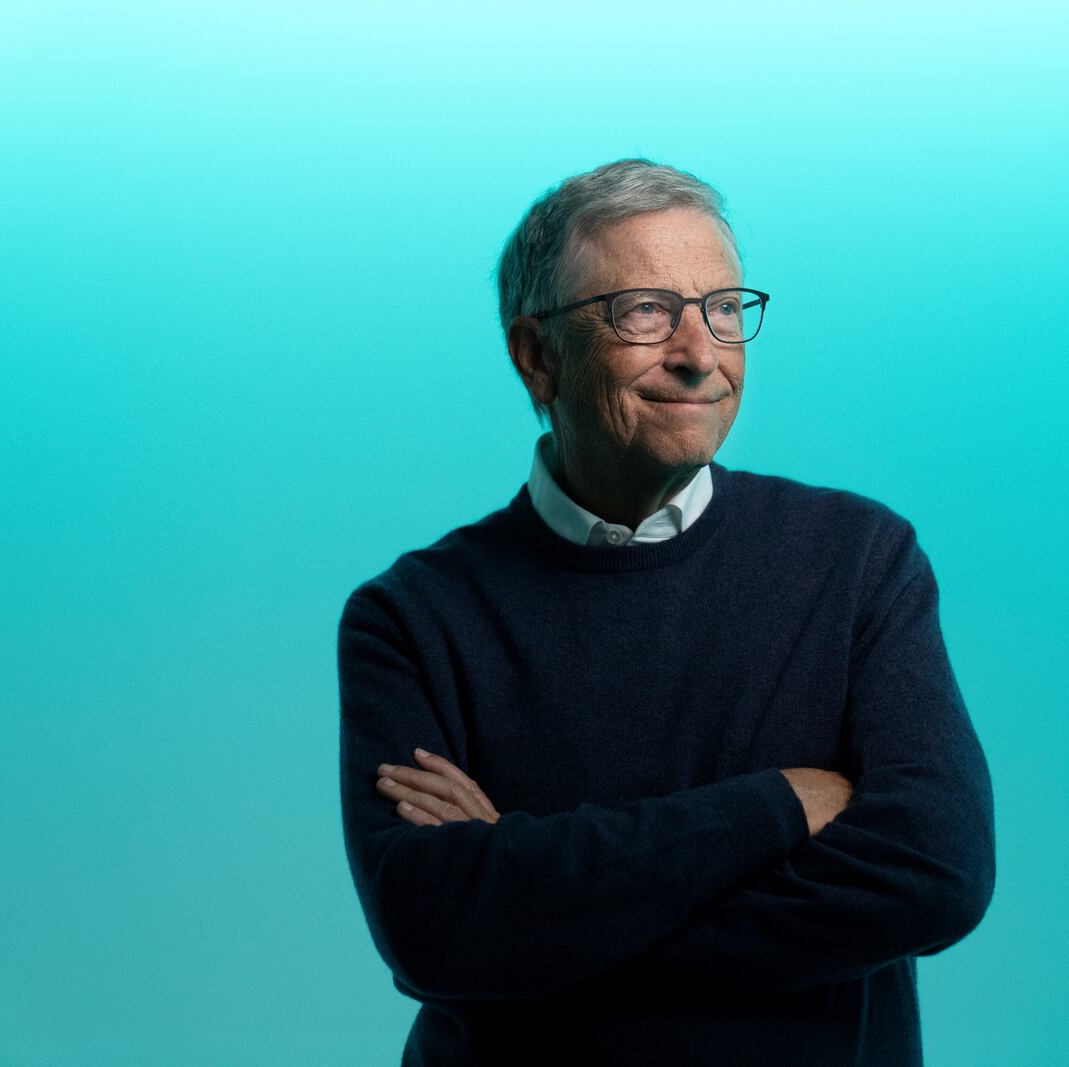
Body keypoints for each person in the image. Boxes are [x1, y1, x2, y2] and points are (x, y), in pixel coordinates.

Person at [336, 158, 995, 1066]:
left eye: (723, 308)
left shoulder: (858, 561)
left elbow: (938, 871)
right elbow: (431, 927)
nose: (700, 354)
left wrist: (534, 918)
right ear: (537, 356)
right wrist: (773, 807)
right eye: (646, 311)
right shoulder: (411, 616)